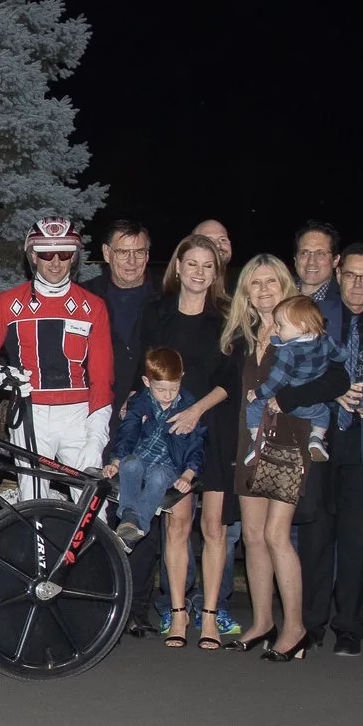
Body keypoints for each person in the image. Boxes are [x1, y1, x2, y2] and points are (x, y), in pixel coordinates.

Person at [221, 259, 346, 662]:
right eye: (254, 283)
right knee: (253, 536)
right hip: (249, 443)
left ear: (285, 285)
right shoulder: (240, 336)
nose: (262, 290)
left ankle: (295, 628)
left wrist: (291, 398)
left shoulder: (301, 329)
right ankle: (262, 622)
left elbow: (338, 378)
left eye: (270, 282)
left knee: (277, 535)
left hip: (289, 441)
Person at [295, 242, 363, 656]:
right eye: (351, 275)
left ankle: (349, 628)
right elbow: (294, 376)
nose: (358, 284)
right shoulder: (314, 318)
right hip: (320, 438)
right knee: (315, 536)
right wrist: (332, 392)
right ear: (338, 276)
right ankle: (311, 624)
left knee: (356, 540)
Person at [137, 234, 237, 647]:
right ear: (178, 267)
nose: (199, 272)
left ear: (216, 273)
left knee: (214, 528)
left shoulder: (227, 316)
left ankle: (209, 616)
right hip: (170, 433)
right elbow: (143, 372)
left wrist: (197, 410)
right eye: (191, 263)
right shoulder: (156, 313)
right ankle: (177, 614)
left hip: (214, 428)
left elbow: (232, 378)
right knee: (176, 525)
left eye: (207, 266)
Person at [0, 217, 112, 501]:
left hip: (79, 416)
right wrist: (1, 376)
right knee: (32, 499)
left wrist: (96, 438)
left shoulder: (93, 306)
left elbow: (103, 378)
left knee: (94, 505)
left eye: (64, 254)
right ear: (33, 256)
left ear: (74, 257)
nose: (56, 263)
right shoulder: (6, 303)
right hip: (29, 411)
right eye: (47, 254)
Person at [105, 346, 201, 551]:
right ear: (147, 382)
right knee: (130, 464)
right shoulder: (139, 402)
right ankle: (130, 523)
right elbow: (127, 433)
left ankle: (135, 523)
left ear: (181, 378)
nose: (168, 395)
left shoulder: (188, 406)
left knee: (158, 475)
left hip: (168, 466)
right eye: (161, 390)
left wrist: (188, 475)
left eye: (174, 388)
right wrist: (115, 462)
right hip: (140, 459)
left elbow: (196, 444)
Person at [241, 294, 335, 465]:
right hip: (309, 404)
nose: (276, 329)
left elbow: (276, 382)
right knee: (323, 412)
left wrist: (258, 393)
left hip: (284, 400)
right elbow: (341, 353)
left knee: (253, 408)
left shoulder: (287, 352)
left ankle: (256, 441)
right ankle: (317, 438)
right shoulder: (324, 340)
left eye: (280, 326)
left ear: (301, 326)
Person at [91, 219, 156, 402]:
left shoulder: (166, 298)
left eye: (139, 252)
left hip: (150, 407)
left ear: (147, 255)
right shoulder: (86, 298)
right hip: (96, 407)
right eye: (123, 252)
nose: (131, 261)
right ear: (107, 253)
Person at [291, 222, 340, 314]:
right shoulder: (279, 293)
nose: (311, 262)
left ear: (335, 260)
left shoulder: (346, 302)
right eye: (304, 253)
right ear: (295, 259)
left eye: (320, 254)